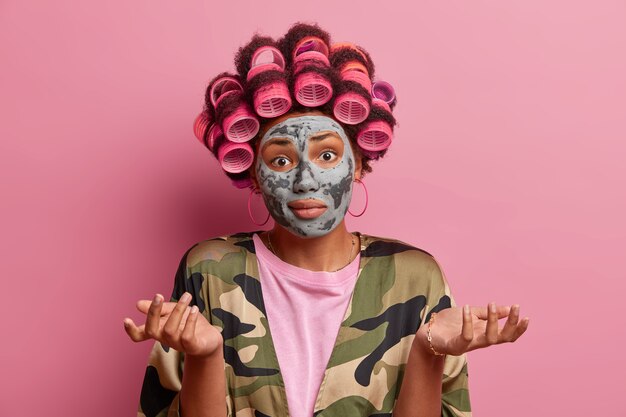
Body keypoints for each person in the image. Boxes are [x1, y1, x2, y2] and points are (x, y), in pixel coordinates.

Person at [123, 22, 529, 417]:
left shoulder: (414, 276)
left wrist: (427, 350)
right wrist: (206, 356)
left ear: (358, 164)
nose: (305, 180)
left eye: (328, 155)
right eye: (280, 160)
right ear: (253, 174)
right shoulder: (210, 269)